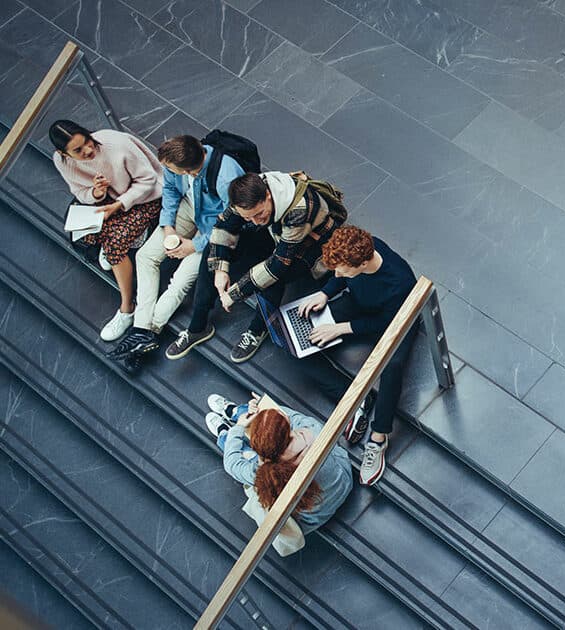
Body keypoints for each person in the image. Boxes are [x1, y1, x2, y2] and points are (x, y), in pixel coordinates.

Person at [166, 171, 346, 363]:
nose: (255, 220)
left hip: (310, 243)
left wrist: (234, 294)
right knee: (213, 249)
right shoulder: (247, 195)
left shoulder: (299, 210)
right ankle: (197, 327)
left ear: (268, 195)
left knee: (275, 278)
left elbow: (277, 265)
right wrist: (219, 269)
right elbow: (224, 225)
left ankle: (257, 330)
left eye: (258, 213)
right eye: (248, 217)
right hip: (276, 231)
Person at [107, 135, 245, 365]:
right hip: (188, 208)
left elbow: (233, 222)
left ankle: (150, 331)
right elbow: (170, 191)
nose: (167, 171)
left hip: (214, 226)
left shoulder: (226, 178)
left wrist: (195, 245)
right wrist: (168, 226)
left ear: (189, 172)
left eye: (172, 170)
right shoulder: (175, 159)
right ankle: (141, 329)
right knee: (145, 257)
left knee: (180, 280)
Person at [298, 226, 418, 485]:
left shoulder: (401, 282)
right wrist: (325, 292)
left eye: (342, 270)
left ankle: (379, 437)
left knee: (391, 366)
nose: (337, 274)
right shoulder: (362, 249)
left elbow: (388, 322)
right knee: (301, 345)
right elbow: (341, 277)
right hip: (361, 306)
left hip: (396, 320)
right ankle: (355, 401)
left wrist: (341, 328)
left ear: (363, 263)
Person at [49, 120, 162, 342]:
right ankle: (127, 236)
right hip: (110, 199)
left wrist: (119, 204)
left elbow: (149, 180)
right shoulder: (61, 161)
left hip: (146, 197)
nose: (88, 150)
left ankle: (127, 308)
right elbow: (80, 192)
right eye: (78, 150)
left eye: (88, 142)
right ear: (63, 153)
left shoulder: (116, 145)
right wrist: (97, 193)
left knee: (114, 247)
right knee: (82, 232)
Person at [205, 394, 353, 533]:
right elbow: (287, 417)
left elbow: (232, 464)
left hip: (312, 520)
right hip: (344, 483)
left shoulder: (266, 473)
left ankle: (226, 432)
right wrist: (265, 406)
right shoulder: (314, 431)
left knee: (244, 449)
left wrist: (238, 428)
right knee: (266, 420)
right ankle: (235, 413)